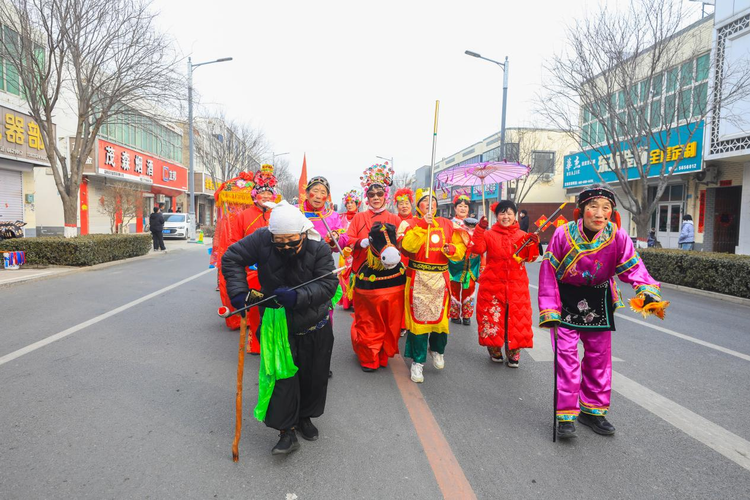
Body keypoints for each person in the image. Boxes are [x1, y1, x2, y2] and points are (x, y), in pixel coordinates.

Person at [538, 185, 669, 439]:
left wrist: (647, 290)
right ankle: (565, 415)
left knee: (599, 360)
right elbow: (548, 271)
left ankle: (593, 411)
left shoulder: (617, 237)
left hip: (598, 300)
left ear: (611, 212)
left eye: (606, 208)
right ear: (582, 210)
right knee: (566, 359)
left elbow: (633, 268)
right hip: (566, 299)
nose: (599, 214)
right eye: (593, 207)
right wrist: (549, 308)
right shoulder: (563, 235)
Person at [222, 200, 338, 455]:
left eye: (292, 241)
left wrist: (299, 297)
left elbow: (328, 286)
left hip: (313, 324)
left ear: (304, 234)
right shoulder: (262, 239)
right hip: (276, 324)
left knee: (313, 377)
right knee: (281, 378)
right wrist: (240, 293)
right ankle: (287, 431)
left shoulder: (319, 249)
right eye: (279, 241)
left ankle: (305, 418)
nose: (285, 246)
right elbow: (231, 258)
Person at [398, 188, 467, 383]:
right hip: (417, 278)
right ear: (418, 206)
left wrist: (452, 249)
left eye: (433, 201)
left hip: (440, 279)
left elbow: (461, 250)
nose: (430, 205)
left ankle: (437, 350)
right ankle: (417, 363)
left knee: (440, 322)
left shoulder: (447, 224)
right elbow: (407, 247)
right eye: (425, 201)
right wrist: (421, 226)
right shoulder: (409, 223)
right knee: (418, 323)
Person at [345, 164, 403, 371]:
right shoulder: (359, 218)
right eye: (372, 194)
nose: (376, 197)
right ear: (366, 197)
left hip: (391, 280)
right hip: (365, 278)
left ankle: (384, 353)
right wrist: (360, 243)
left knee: (390, 319)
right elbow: (347, 238)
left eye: (379, 194)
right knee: (368, 319)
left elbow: (404, 244)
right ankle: (369, 356)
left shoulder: (394, 219)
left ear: (385, 196)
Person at [472, 200, 539, 366]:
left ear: (514, 215)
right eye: (502, 213)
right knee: (493, 317)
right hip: (492, 284)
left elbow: (531, 258)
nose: (506, 216)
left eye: (509, 213)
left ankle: (514, 353)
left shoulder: (523, 235)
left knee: (516, 319)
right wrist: (480, 228)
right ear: (497, 215)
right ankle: (494, 349)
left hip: (517, 285)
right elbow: (477, 249)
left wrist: (533, 244)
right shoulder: (488, 234)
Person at [227, 164, 280, 354]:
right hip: (253, 273)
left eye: (269, 194)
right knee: (256, 308)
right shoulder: (244, 216)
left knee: (277, 307)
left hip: (277, 272)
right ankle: (257, 344)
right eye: (262, 194)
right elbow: (235, 244)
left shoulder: (279, 214)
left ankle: (276, 342)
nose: (266, 197)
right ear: (254, 195)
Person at [448, 194, 482, 326]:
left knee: (470, 288)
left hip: (471, 262)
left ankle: (467, 315)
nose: (463, 208)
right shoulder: (450, 224)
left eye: (465, 206)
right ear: (455, 208)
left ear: (469, 209)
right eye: (460, 206)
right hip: (455, 262)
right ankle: (455, 314)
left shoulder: (476, 224)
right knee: (454, 287)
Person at [300, 176, 349, 254]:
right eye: (315, 191)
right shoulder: (295, 211)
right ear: (307, 193)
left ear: (327, 197)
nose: (318, 196)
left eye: (323, 193)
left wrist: (335, 238)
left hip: (323, 262)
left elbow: (344, 240)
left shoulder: (333, 216)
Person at [393, 187, 415, 336]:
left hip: (412, 262)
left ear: (411, 204)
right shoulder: (393, 221)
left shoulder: (417, 221)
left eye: (407, 202)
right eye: (401, 203)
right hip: (396, 261)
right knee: (397, 294)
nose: (404, 206)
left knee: (410, 294)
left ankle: (408, 322)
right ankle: (399, 323)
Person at [338, 189, 362, 311]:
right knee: (345, 275)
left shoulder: (361, 217)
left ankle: (356, 300)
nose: (350, 205)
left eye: (352, 202)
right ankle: (347, 301)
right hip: (345, 252)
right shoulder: (340, 218)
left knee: (356, 275)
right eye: (348, 203)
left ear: (358, 204)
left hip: (357, 250)